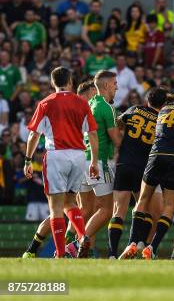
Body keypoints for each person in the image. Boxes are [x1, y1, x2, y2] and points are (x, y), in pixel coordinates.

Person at [120, 82, 174, 260]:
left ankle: (132, 242)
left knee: (142, 200)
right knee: (169, 206)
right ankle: (152, 247)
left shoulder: (164, 108)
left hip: (155, 155)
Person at [23, 67, 99, 258]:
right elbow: (92, 133)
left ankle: (59, 253)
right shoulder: (82, 103)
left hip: (57, 156)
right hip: (79, 156)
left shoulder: (46, 103)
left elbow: (34, 134)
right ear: (71, 82)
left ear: (52, 83)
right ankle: (82, 236)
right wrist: (94, 161)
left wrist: (28, 159)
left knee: (56, 208)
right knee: (71, 202)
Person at [107, 88, 167, 258]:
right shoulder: (162, 119)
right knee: (143, 208)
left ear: (147, 100)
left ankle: (112, 254)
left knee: (118, 210)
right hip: (144, 168)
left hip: (124, 163)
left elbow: (118, 122)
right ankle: (136, 242)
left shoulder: (134, 109)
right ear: (163, 104)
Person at [77, 70, 122, 258]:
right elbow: (116, 140)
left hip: (83, 160)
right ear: (105, 86)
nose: (117, 87)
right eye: (114, 83)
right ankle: (79, 242)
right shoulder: (106, 107)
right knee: (107, 208)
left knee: (86, 210)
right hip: (99, 161)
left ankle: (77, 247)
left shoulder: (89, 104)